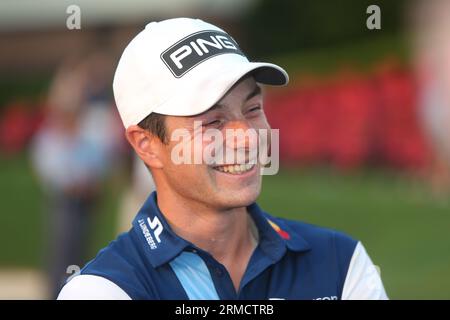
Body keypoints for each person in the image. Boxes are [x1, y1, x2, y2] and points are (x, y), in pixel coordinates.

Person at [57, 18, 387, 300]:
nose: (247, 137)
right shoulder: (105, 291)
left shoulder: (341, 265)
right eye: (212, 122)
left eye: (253, 109)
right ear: (146, 144)